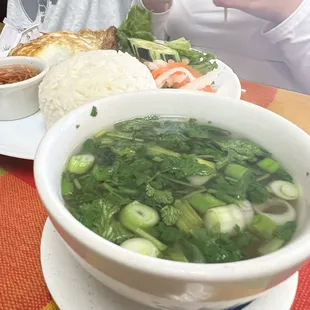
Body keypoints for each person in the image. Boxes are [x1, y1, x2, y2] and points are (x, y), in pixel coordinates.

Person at [6, 0, 310, 94]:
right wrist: (157, 6)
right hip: (179, 104)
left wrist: (289, 10)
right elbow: (150, 43)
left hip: (284, 110)